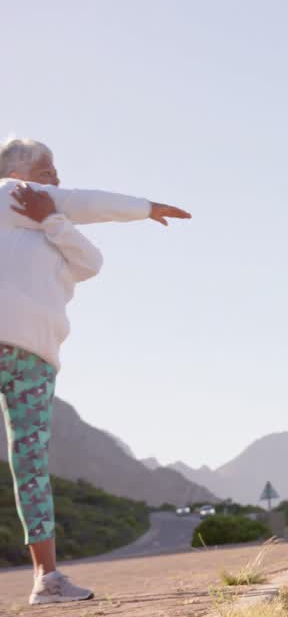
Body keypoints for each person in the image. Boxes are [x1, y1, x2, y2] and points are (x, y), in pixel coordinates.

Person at [0, 137, 190, 605]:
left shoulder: (43, 223)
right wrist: (145, 208)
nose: (58, 181)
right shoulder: (8, 192)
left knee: (31, 466)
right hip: (27, 354)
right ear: (19, 173)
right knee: (30, 465)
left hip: (34, 357)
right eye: (48, 172)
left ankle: (47, 580)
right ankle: (46, 578)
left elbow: (92, 262)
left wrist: (52, 221)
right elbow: (86, 202)